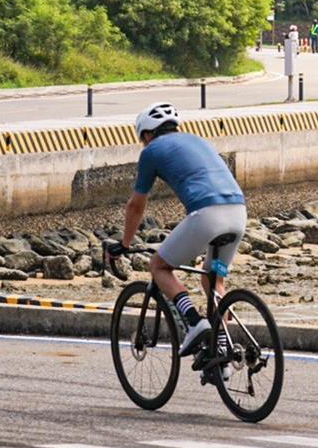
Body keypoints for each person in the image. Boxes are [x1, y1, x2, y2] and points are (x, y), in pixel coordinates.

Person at [104, 103, 247, 357]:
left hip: (206, 217)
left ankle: (194, 322)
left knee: (159, 266)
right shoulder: (197, 140)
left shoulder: (152, 151)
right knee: (214, 279)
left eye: (142, 139)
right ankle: (222, 353)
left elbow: (136, 205)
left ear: (148, 134)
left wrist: (125, 243)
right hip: (238, 214)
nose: (144, 144)